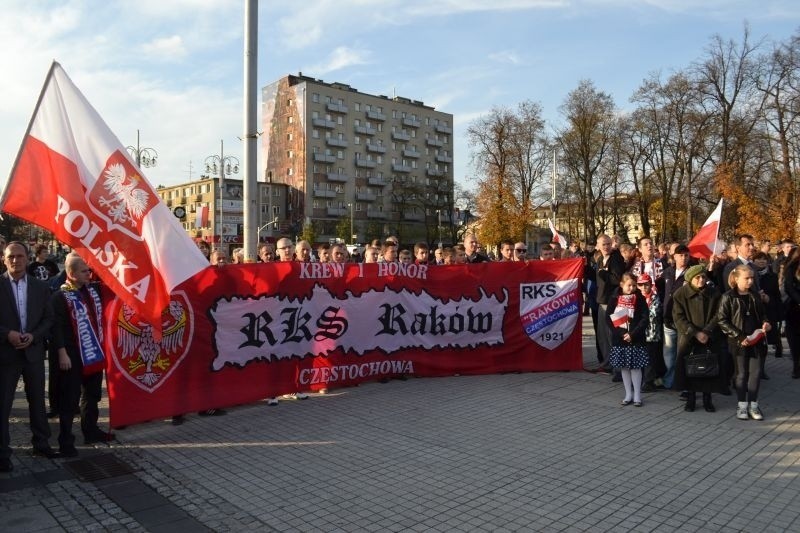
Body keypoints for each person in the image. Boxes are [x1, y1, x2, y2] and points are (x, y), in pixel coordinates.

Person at [0, 242, 58, 472]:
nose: (16, 260)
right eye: (11, 256)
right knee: (3, 405)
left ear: (27, 258)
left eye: (20, 256)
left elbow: (49, 318)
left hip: (33, 352)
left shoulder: (40, 287)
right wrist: (8, 334)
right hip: (6, 354)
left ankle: (41, 443)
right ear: (4, 259)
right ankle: (3, 452)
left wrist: (34, 336)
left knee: (37, 401)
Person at [50, 253, 115, 456]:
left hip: (93, 352)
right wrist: (62, 353)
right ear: (71, 273)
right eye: (85, 271)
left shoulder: (93, 290)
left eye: (89, 270)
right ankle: (66, 440)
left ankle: (90, 430)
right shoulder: (59, 297)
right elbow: (56, 329)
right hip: (72, 355)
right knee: (69, 399)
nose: (89, 273)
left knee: (92, 395)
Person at [718, 265, 771, 421]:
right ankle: (742, 405)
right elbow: (722, 321)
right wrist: (739, 336)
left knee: (755, 373)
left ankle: (754, 404)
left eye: (752, 278)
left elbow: (762, 315)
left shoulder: (754, 295)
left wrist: (766, 323)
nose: (750, 281)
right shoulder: (728, 297)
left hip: (756, 340)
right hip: (740, 342)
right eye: (746, 278)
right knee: (741, 374)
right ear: (736, 279)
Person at [672, 265, 724, 412]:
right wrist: (695, 333)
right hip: (689, 338)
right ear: (690, 279)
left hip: (709, 337)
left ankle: (707, 398)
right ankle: (691, 398)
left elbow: (719, 314)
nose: (701, 280)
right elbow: (678, 317)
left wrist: (707, 331)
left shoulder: (714, 293)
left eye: (703, 277)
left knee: (709, 367)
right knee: (690, 369)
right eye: (697, 277)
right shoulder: (680, 294)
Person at [606, 272, 649, 407]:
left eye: (634, 285)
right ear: (622, 285)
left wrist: (633, 334)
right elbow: (609, 318)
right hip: (620, 339)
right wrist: (621, 333)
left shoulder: (639, 299)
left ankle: (637, 395)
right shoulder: (614, 298)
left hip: (635, 338)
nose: (632, 288)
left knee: (636, 367)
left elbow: (644, 318)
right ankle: (628, 394)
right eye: (629, 285)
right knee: (624, 367)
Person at [656, 244, 691, 390]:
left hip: (683, 319)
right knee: (669, 353)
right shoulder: (668, 272)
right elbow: (660, 289)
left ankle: (682, 383)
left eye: (686, 255)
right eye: (680, 255)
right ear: (674, 256)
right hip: (668, 318)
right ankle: (669, 380)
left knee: (682, 353)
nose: (683, 258)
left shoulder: (691, 274)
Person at [595, 234, 626, 373]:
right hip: (602, 301)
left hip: (613, 302)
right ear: (598, 246)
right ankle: (608, 364)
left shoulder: (616, 258)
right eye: (603, 244)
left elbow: (617, 279)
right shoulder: (600, 259)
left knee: (612, 335)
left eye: (608, 244)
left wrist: (604, 274)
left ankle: (617, 367)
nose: (606, 247)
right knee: (603, 336)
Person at [637, 274, 665, 392]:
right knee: (641, 359)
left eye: (646, 285)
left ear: (651, 285)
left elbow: (652, 315)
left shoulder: (655, 298)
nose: (643, 287)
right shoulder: (636, 297)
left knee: (651, 359)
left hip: (652, 335)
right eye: (640, 285)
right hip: (638, 334)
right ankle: (641, 380)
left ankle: (648, 383)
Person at [781, 248, 800, 378]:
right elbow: (789, 287)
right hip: (795, 307)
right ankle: (796, 366)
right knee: (794, 338)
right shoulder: (792, 266)